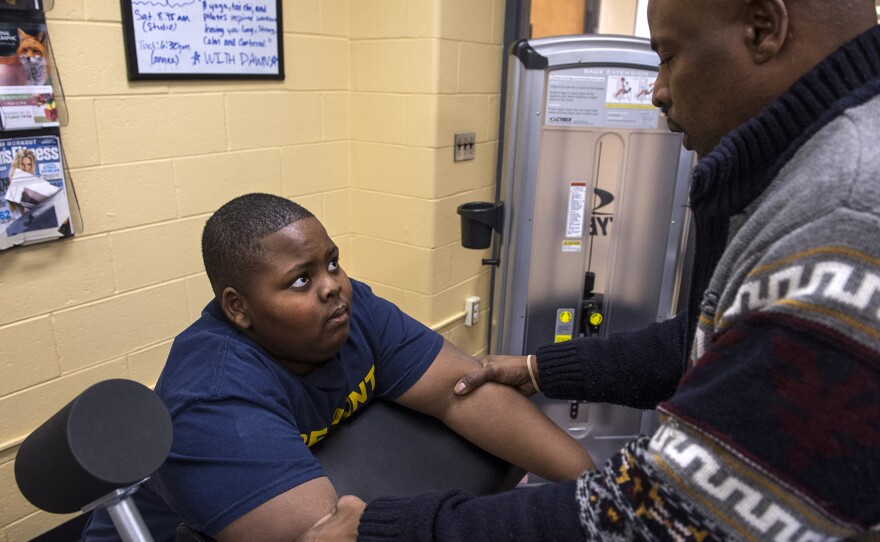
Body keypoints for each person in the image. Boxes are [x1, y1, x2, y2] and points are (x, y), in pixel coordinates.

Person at [312, 0, 880, 539]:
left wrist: (393, 530)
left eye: (670, 57)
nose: (657, 91)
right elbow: (708, 338)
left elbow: (668, 517)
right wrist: (540, 368)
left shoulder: (846, 210)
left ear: (763, 28)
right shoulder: (806, 172)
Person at [81, 193, 593, 542]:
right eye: (300, 280)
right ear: (239, 308)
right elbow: (328, 533)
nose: (332, 285)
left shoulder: (350, 309)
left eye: (331, 262)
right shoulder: (212, 397)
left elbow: (462, 391)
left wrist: (601, 497)